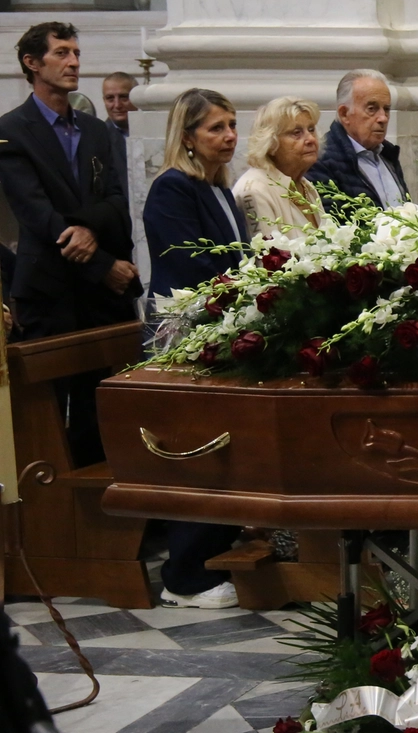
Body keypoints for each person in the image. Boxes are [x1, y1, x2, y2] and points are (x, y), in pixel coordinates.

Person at [0, 22, 139, 466]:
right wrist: (104, 264)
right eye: (61, 53)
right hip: (51, 290)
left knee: (103, 410)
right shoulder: (11, 131)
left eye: (76, 52)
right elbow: (38, 215)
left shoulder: (96, 130)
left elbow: (118, 202)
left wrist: (88, 231)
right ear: (32, 63)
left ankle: (113, 518)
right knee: (47, 416)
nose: (74, 62)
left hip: (100, 298)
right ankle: (56, 522)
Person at [143, 87, 250, 610]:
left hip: (221, 331)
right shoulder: (172, 189)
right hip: (183, 336)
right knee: (193, 449)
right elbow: (190, 265)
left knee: (223, 446)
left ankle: (214, 553)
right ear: (187, 137)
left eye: (232, 125)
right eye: (216, 128)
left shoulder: (218, 188)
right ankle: (183, 576)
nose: (229, 136)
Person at [307, 69, 408, 210]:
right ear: (344, 114)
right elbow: (333, 225)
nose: (383, 118)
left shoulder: (388, 155)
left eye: (386, 109)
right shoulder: (322, 160)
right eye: (372, 108)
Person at [233, 96, 325, 236]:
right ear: (270, 143)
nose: (311, 139)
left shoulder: (307, 187)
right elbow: (268, 256)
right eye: (296, 133)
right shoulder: (255, 191)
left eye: (311, 129)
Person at [101, 70, 136, 197]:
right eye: (110, 98)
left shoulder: (152, 131)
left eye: (124, 97)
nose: (117, 105)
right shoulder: (98, 137)